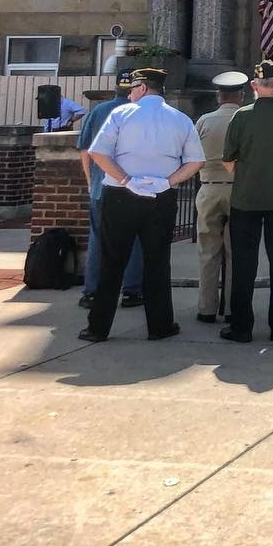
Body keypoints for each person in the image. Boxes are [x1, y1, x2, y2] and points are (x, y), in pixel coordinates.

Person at [79, 68, 204, 342]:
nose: (130, 92)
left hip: (121, 195)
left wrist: (125, 179)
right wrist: (168, 182)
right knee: (157, 261)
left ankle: (97, 327)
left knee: (112, 260)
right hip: (161, 197)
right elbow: (196, 162)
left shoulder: (120, 114)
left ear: (143, 88)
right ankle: (160, 325)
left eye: (133, 87)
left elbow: (97, 152)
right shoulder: (181, 119)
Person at [220, 61, 273, 343]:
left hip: (246, 199)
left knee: (243, 265)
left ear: (254, 86)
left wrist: (248, 176)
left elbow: (228, 159)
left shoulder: (241, 117)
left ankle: (241, 326)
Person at [76, 71, 143, 311]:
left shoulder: (98, 111)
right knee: (134, 238)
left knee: (98, 239)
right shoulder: (140, 113)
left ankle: (92, 291)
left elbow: (86, 151)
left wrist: (89, 181)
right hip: (131, 186)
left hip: (100, 187)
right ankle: (132, 290)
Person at [192, 71, 248, 324]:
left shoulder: (204, 121)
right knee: (236, 252)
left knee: (207, 250)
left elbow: (192, 153)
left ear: (218, 96)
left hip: (209, 186)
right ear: (241, 96)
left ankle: (206, 308)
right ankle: (231, 308)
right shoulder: (246, 120)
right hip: (238, 188)